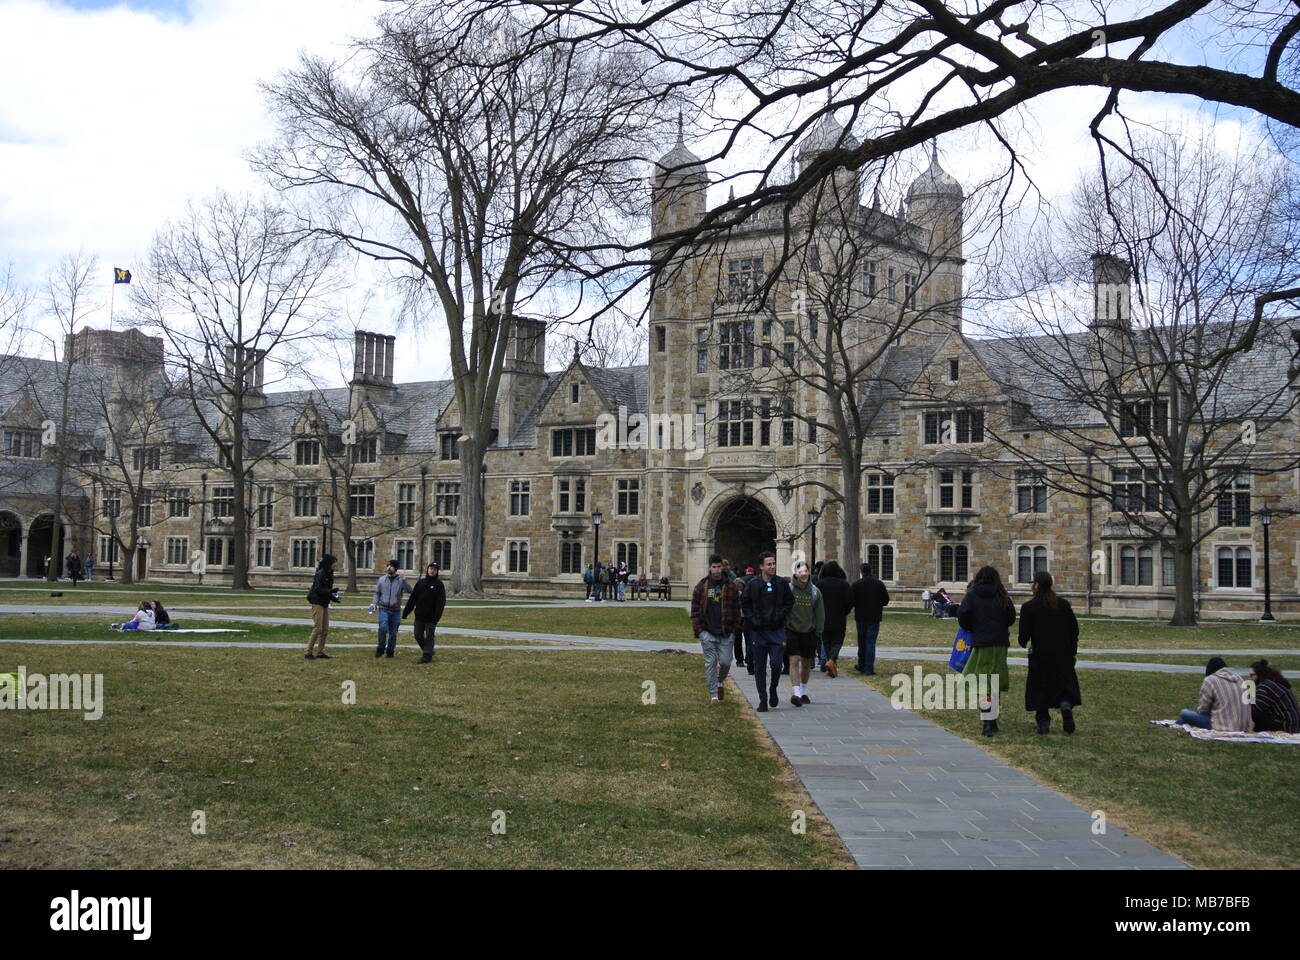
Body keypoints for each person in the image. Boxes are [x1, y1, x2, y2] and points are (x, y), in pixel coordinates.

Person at [1017, 570, 1081, 735]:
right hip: (1063, 653)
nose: (1031, 585)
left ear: (1037, 584)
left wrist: (1023, 642)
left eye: (1032, 582)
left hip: (1040, 654)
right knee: (1063, 684)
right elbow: (1074, 630)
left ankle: (1043, 723)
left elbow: (1023, 635)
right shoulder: (1063, 604)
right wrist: (1072, 651)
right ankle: (1065, 704)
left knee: (1040, 688)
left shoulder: (1029, 607)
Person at [957, 565, 1016, 736]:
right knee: (994, 681)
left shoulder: (972, 595)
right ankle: (992, 718)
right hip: (999, 644)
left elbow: (963, 615)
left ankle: (987, 721)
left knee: (984, 683)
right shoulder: (1002, 595)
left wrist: (972, 627)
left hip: (981, 643)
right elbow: (1010, 617)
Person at [740, 551, 794, 712]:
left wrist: (780, 615)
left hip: (777, 630)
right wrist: (753, 619)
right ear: (761, 566)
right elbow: (745, 603)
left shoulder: (781, 583)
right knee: (760, 667)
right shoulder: (753, 584)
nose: (772, 566)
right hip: (758, 631)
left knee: (777, 664)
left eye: (773, 563)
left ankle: (773, 687)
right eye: (769, 564)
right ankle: (763, 699)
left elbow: (789, 601)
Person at [690, 554, 741, 705]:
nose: (717, 570)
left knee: (725, 663)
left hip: (726, 632)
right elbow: (695, 609)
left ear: (722, 567)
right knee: (710, 663)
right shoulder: (702, 585)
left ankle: (720, 682)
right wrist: (699, 630)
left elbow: (737, 609)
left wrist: (734, 630)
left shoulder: (730, 586)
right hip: (708, 631)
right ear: (709, 567)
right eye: (714, 567)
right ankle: (713, 695)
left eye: (719, 567)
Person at [785, 560, 825, 706]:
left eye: (805, 571)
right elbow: (785, 609)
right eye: (800, 571)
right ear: (795, 573)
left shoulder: (815, 592)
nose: (803, 574)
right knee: (794, 660)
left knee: (807, 663)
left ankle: (803, 690)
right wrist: (785, 625)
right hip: (792, 630)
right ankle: (796, 693)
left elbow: (820, 613)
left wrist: (818, 631)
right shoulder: (789, 589)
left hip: (809, 631)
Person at [1180, 658, 1254, 731]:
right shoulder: (1240, 679)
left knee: (1185, 713)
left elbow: (1203, 710)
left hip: (1222, 726)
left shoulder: (1210, 680)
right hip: (1242, 727)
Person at [851, 562, 890, 675]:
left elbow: (851, 600)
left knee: (862, 642)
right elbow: (886, 600)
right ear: (871, 571)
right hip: (874, 617)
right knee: (870, 643)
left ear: (861, 571)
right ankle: (869, 668)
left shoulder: (856, 584)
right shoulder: (879, 584)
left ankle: (862, 665)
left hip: (861, 617)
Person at [403, 562, 447, 663]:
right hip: (419, 616)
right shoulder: (421, 583)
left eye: (434, 570)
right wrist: (406, 612)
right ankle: (429, 650)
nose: (432, 571)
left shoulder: (439, 585)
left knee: (429, 635)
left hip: (431, 617)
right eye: (430, 569)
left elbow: (441, 602)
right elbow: (412, 599)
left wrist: (437, 616)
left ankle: (427, 656)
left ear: (437, 572)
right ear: (427, 570)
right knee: (417, 635)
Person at [815, 561, 853, 678]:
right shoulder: (844, 584)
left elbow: (815, 601)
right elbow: (849, 601)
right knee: (837, 642)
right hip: (839, 617)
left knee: (826, 642)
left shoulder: (819, 584)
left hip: (823, 618)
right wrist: (844, 612)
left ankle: (831, 664)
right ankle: (831, 661)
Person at [372, 560, 412, 659]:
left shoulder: (400, 580)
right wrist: (374, 603)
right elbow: (377, 593)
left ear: (396, 568)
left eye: (391, 566)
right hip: (384, 608)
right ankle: (380, 648)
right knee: (383, 628)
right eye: (388, 566)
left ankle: (390, 651)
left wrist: (404, 580)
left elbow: (409, 590)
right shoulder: (382, 580)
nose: (389, 567)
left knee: (393, 632)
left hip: (396, 610)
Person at [1249, 659, 1300, 733]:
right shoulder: (1273, 682)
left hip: (1287, 726)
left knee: (1255, 715)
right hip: (1294, 724)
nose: (1250, 678)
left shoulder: (1265, 686)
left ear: (1259, 674)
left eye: (1252, 675)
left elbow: (1256, 709)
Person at [305, 554, 339, 660]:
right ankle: (308, 652)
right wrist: (330, 591)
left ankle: (320, 651)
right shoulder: (320, 574)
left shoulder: (330, 574)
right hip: (317, 602)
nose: (335, 564)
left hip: (324, 602)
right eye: (334, 562)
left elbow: (327, 590)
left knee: (325, 630)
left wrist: (333, 598)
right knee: (318, 628)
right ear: (329, 563)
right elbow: (317, 589)